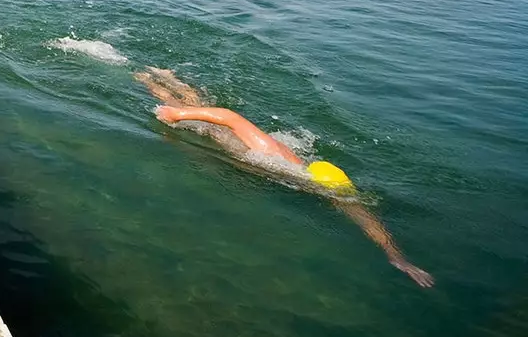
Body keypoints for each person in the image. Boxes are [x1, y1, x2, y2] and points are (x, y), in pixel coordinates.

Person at [136, 66, 433, 287]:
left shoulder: (317, 182)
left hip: (225, 136)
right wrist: (177, 118)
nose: (337, 202)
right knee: (183, 108)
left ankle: (169, 76)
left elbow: (364, 217)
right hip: (225, 130)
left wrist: (396, 256)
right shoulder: (272, 155)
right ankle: (146, 75)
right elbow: (229, 116)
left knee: (197, 108)